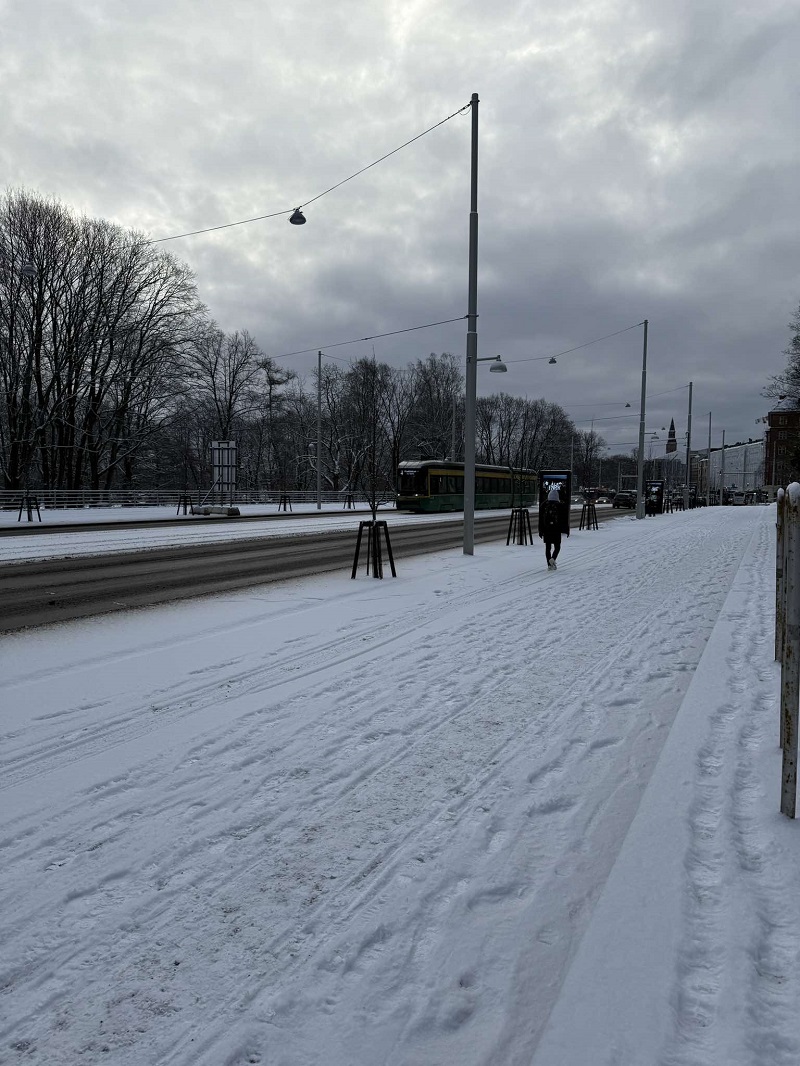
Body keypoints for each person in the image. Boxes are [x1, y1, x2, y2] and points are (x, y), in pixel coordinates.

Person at [538, 486, 569, 569]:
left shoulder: (544, 505)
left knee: (548, 548)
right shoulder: (560, 506)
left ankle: (549, 564)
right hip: (556, 530)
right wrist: (566, 530)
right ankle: (553, 559)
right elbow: (564, 519)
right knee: (557, 547)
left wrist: (540, 531)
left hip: (546, 529)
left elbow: (540, 519)